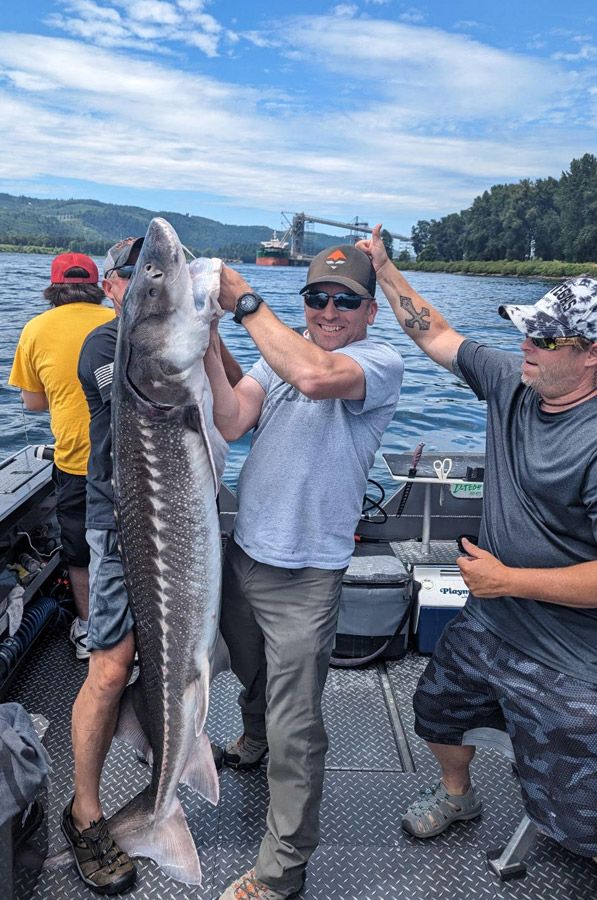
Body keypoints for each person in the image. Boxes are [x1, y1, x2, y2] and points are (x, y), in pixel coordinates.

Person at [357, 225, 597, 863]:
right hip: (491, 618)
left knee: (576, 815)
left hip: (572, 646)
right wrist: (383, 267)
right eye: (525, 332)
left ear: (593, 354)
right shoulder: (514, 383)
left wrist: (512, 580)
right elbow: (433, 330)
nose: (527, 348)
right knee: (436, 706)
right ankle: (458, 794)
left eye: (546, 339)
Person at [204, 245, 404, 900]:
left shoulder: (378, 361)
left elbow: (317, 377)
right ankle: (251, 738)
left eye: (345, 300)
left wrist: (243, 303)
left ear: (369, 311)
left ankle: (280, 871)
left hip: (306, 574)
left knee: (299, 727)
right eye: (316, 297)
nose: (328, 310)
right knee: (249, 668)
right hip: (247, 551)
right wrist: (206, 333)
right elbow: (233, 419)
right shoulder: (279, 354)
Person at [62, 238, 243, 895]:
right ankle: (85, 814)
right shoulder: (106, 348)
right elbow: (156, 371)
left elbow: (230, 412)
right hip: (119, 527)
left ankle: (160, 790)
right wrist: (185, 326)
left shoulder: (178, 343)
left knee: (186, 655)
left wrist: (215, 327)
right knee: (109, 668)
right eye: (140, 281)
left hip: (180, 526)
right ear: (113, 289)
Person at [9, 252, 115, 661]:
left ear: (53, 289)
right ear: (98, 287)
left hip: (76, 463)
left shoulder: (35, 328)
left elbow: (33, 404)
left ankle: (89, 631)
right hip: (130, 463)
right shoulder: (115, 324)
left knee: (80, 552)